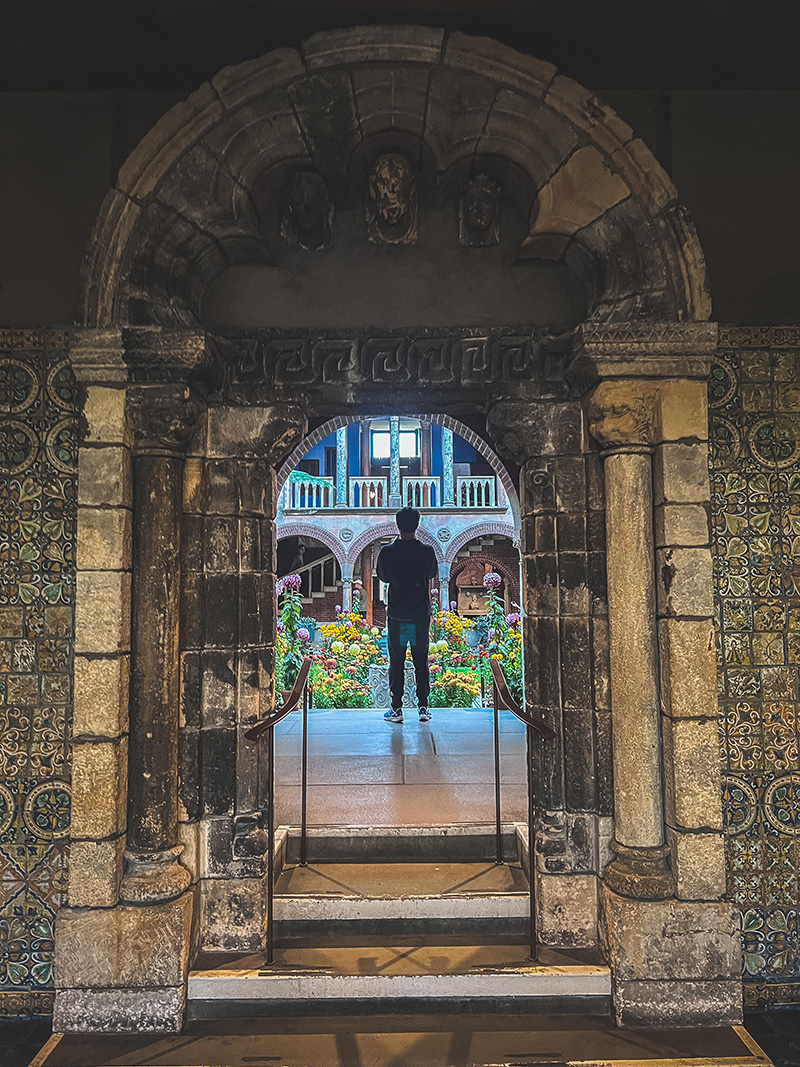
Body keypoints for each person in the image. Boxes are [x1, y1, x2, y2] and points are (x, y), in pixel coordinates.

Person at [376, 506, 438, 724]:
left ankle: (396, 709)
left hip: (399, 617)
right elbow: (431, 573)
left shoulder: (388, 552)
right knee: (421, 660)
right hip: (419, 616)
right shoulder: (427, 551)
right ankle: (423, 707)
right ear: (417, 525)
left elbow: (383, 576)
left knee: (397, 661)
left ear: (397, 525)